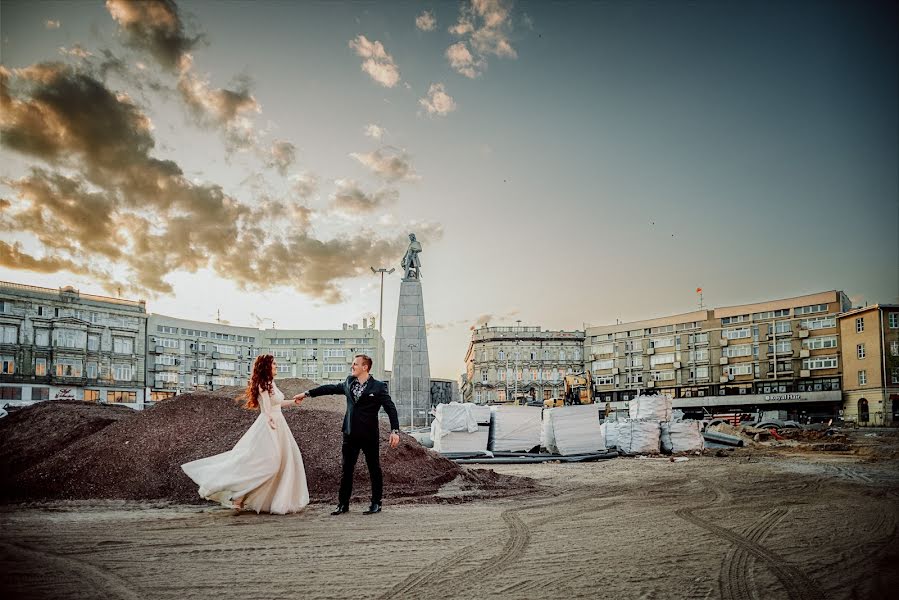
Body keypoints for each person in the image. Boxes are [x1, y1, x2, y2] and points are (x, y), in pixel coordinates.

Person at [181, 354, 309, 514]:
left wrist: (293, 402)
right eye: (274, 364)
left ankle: (243, 498)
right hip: (269, 425)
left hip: (278, 423)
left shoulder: (272, 383)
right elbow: (267, 407)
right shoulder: (263, 384)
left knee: (278, 462)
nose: (276, 366)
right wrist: (269, 419)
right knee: (269, 464)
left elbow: (277, 403)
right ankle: (237, 494)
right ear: (266, 366)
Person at [293, 354, 399, 515]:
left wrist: (394, 431)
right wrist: (307, 394)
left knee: (374, 469)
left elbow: (390, 408)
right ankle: (343, 504)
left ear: (365, 367)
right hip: (350, 434)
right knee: (347, 469)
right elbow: (330, 388)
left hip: (369, 435)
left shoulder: (378, 386)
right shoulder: (349, 382)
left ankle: (376, 503)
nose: (352, 366)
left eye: (355, 364)